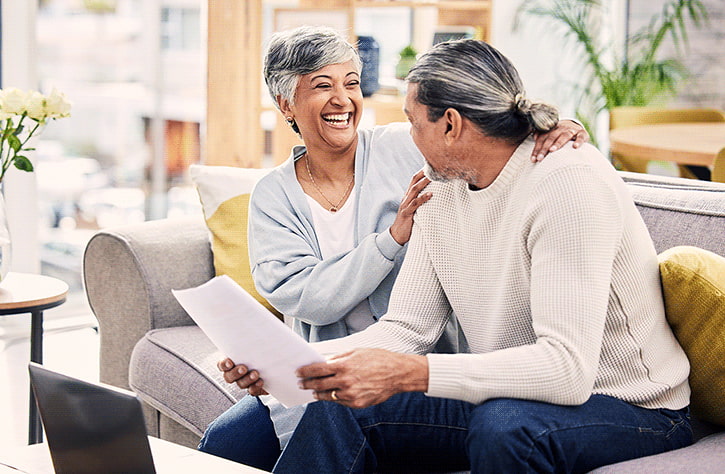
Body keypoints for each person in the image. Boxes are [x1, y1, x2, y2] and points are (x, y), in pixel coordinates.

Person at [269, 39, 693, 473]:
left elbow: (567, 368)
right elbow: (406, 328)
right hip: (512, 395)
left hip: (633, 405)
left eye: (413, 124)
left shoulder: (567, 184)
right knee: (336, 405)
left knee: (504, 427)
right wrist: (286, 365)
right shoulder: (437, 188)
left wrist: (410, 374)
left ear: (451, 125)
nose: (410, 138)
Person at [199, 26, 590, 471]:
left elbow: (486, 119)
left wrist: (554, 127)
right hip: (332, 365)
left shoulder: (408, 147)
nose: (342, 99)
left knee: (341, 421)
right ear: (286, 103)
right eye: (322, 86)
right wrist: (390, 242)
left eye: (350, 83)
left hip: (422, 365)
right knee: (224, 443)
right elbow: (309, 297)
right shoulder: (273, 195)